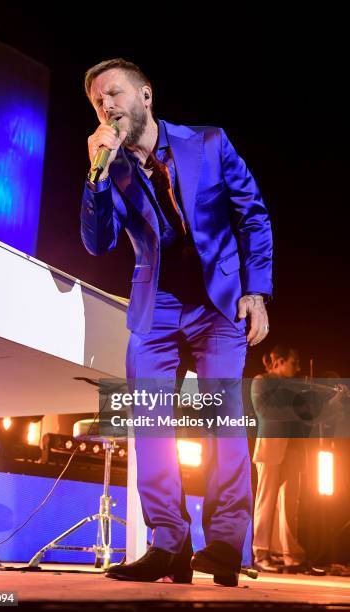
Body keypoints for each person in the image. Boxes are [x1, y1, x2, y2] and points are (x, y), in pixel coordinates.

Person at [80, 58, 273, 586]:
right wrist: (96, 175)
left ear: (145, 94)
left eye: (115, 94)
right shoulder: (112, 165)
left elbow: (252, 213)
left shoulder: (208, 142)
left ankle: (228, 547)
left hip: (219, 301)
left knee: (222, 418)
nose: (107, 106)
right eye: (98, 102)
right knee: (148, 421)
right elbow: (98, 243)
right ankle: (170, 543)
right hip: (157, 304)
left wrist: (256, 290)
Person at [252, 345, 307, 572]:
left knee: (289, 504)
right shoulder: (261, 381)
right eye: (294, 363)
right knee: (266, 501)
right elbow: (266, 411)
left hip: (292, 448)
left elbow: (306, 417)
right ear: (279, 361)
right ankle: (260, 552)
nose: (297, 368)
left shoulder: (293, 387)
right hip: (270, 446)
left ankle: (289, 554)